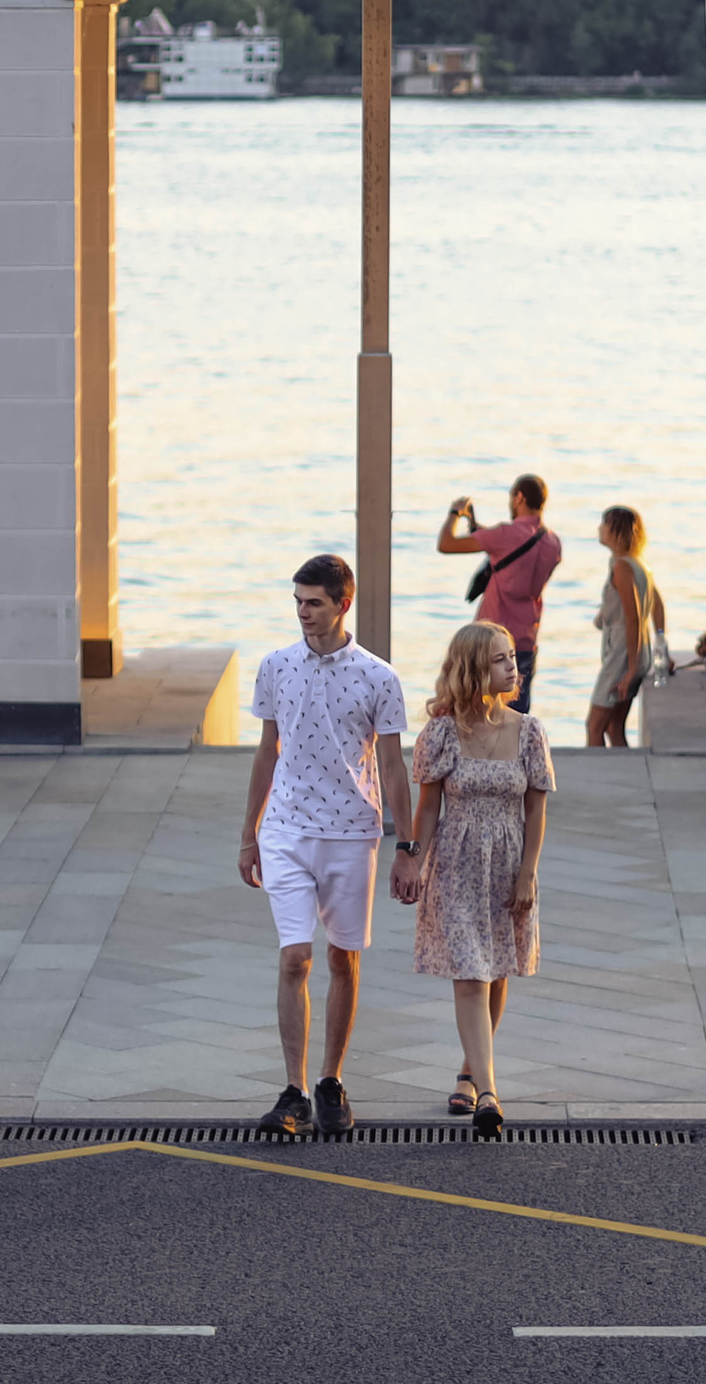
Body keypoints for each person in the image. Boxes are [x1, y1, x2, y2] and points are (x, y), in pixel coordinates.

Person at [239, 554, 411, 1138]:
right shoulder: (275, 666)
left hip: (351, 834)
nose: (303, 613)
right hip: (284, 830)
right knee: (295, 957)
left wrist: (407, 845)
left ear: (344, 603)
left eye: (313, 602)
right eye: (297, 602)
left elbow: (392, 765)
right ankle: (292, 1091)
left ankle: (331, 1080)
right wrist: (249, 834)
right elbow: (267, 751)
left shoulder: (378, 677)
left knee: (342, 958)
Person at [393, 620, 551, 1138]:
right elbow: (429, 808)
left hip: (507, 863)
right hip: (457, 865)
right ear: (472, 669)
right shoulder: (440, 734)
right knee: (470, 974)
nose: (514, 667)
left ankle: (467, 1072)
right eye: (501, 660)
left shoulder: (529, 731)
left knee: (497, 968)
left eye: (512, 657)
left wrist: (528, 875)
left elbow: (536, 811)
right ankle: (488, 1091)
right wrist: (413, 860)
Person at [436, 474, 563, 714]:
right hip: (526, 639)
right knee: (516, 718)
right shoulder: (553, 542)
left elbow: (446, 543)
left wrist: (455, 512)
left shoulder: (504, 535)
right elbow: (515, 551)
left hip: (489, 638)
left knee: (475, 714)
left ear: (519, 497)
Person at [586, 505, 665, 748]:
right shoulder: (639, 563)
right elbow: (658, 606)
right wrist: (660, 648)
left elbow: (634, 617)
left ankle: (600, 782)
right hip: (637, 651)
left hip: (623, 653)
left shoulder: (621, 567)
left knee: (594, 726)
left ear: (616, 531)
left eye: (604, 525)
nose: (600, 529)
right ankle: (630, 773)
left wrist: (630, 669)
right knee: (614, 727)